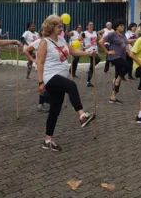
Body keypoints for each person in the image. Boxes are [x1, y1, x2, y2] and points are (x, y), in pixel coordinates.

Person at [37, 15, 96, 151]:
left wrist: (88, 54)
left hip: (60, 77)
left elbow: (72, 51)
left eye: (61, 26)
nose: (61, 28)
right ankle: (81, 115)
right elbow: (39, 63)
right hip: (50, 77)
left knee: (55, 111)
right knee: (72, 85)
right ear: (51, 27)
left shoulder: (62, 39)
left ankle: (47, 140)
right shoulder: (44, 42)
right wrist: (40, 82)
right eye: (59, 26)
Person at [99, 19, 132, 104]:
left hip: (122, 57)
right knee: (129, 66)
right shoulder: (112, 34)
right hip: (114, 57)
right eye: (121, 25)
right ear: (116, 27)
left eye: (123, 25)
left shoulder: (123, 35)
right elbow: (101, 41)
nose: (123, 27)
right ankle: (117, 79)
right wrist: (107, 51)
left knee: (118, 75)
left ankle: (112, 97)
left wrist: (130, 49)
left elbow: (126, 43)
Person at [22, 28, 49, 112]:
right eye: (44, 32)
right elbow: (25, 50)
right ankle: (41, 104)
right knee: (44, 85)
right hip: (41, 67)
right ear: (41, 34)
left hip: (49, 67)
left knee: (48, 85)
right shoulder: (39, 42)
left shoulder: (49, 42)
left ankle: (45, 102)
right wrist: (33, 60)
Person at [79, 21, 101, 87]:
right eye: (90, 25)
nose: (91, 26)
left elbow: (101, 39)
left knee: (92, 66)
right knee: (98, 59)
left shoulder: (95, 33)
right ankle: (89, 71)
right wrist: (84, 46)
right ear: (87, 26)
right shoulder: (84, 33)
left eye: (92, 25)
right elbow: (78, 40)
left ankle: (88, 82)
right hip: (89, 51)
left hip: (95, 50)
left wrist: (98, 38)